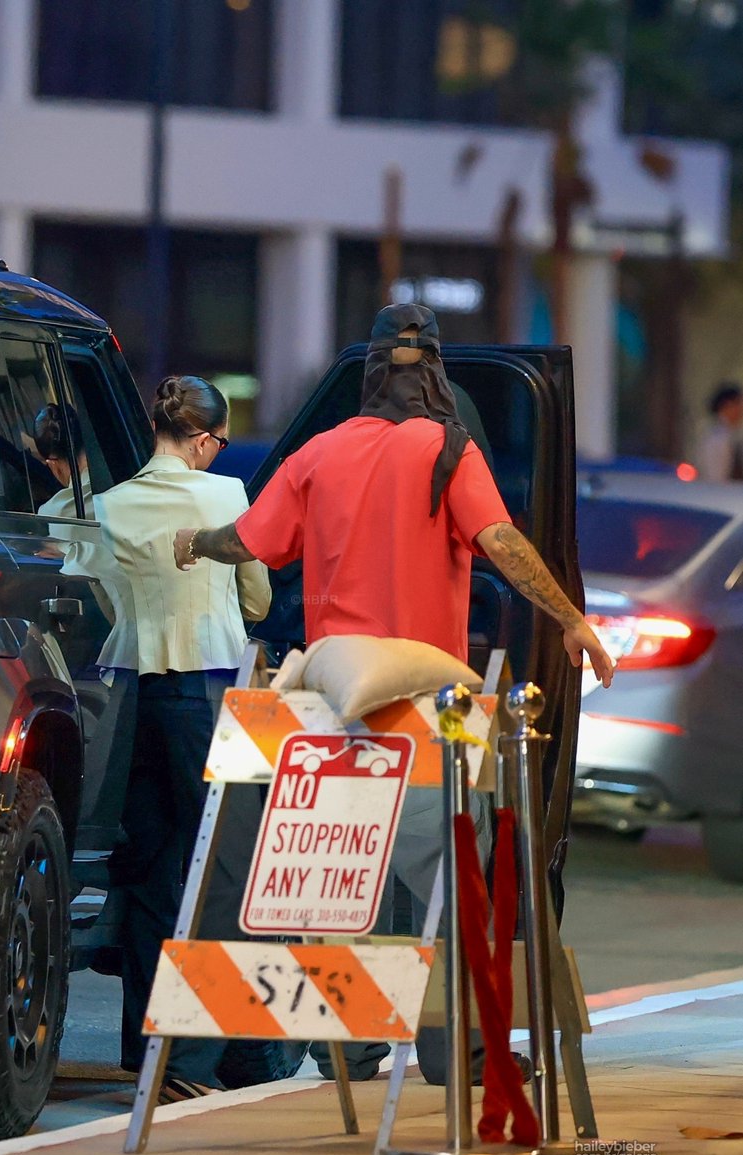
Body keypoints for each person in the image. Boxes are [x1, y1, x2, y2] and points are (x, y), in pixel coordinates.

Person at [173, 303, 614, 1083]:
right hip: (432, 703)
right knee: (453, 876)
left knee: (340, 873)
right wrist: (569, 619)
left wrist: (193, 541)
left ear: (370, 372)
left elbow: (249, 541)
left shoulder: (319, 452)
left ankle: (346, 1045)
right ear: (435, 370)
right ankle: (460, 1054)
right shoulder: (447, 448)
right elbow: (501, 541)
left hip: (331, 701)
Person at [96, 375, 271, 1103]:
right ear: (202, 440)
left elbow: (99, 594)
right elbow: (257, 596)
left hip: (130, 694)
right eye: (219, 443)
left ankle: (146, 1052)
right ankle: (199, 1059)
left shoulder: (110, 503)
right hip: (208, 691)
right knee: (223, 868)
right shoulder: (225, 496)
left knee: (148, 867)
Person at [694, 383, 743, 483]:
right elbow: (716, 478)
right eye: (739, 403)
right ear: (728, 405)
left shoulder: (728, 435)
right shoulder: (717, 439)